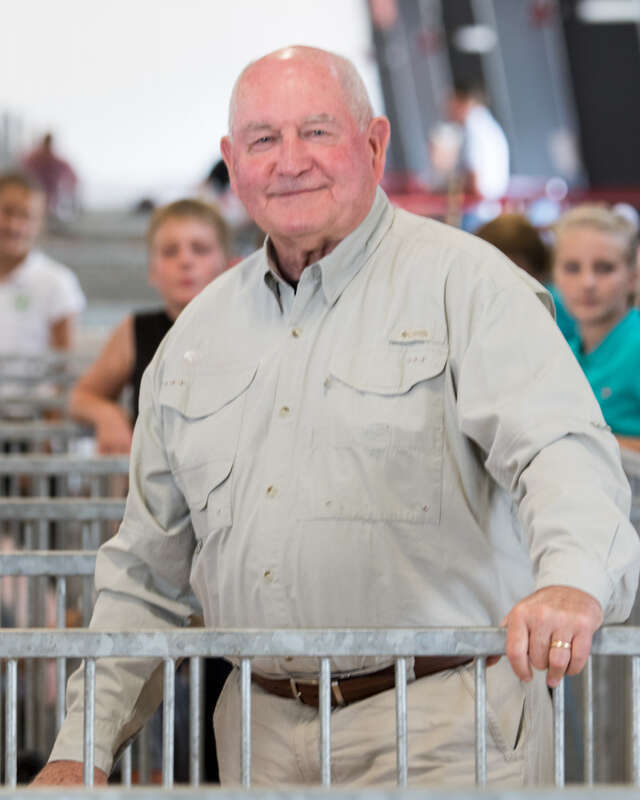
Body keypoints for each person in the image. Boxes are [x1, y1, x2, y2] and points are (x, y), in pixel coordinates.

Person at [34, 46, 639, 788]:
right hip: (260, 738)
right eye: (263, 141)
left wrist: (572, 580)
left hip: (447, 729)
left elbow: (558, 449)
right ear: (233, 160)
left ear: (374, 143)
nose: (290, 162)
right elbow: (144, 570)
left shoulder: (472, 287)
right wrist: (80, 747)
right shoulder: (195, 338)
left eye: (317, 132)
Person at [68, 199, 230, 454]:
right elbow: (81, 397)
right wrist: (108, 415)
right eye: (169, 252)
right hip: (156, 487)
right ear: (152, 271)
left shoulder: (250, 328)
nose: (185, 260)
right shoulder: (134, 331)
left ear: (226, 264)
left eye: (200, 249)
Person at [552, 204, 640, 453]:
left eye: (604, 268)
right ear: (554, 277)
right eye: (572, 268)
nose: (587, 282)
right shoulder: (561, 355)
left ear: (632, 277)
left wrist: (586, 443)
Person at [0, 171, 85, 360]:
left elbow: (63, 365)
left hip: (32, 390)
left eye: (26, 216)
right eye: (7, 211)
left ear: (38, 224)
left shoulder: (57, 281)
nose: (14, 225)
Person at [475, 213, 577, 340]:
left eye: (513, 273)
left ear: (538, 274)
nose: (500, 283)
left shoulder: (560, 313)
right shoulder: (480, 308)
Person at [447, 80, 510, 230]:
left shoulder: (473, 127)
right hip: (490, 208)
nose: (447, 108)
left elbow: (473, 175)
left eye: (450, 101)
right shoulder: (486, 123)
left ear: (462, 101)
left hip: (477, 210)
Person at [22, 133, 78, 220]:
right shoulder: (34, 158)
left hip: (45, 199)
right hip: (35, 197)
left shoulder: (31, 158)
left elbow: (73, 178)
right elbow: (73, 178)